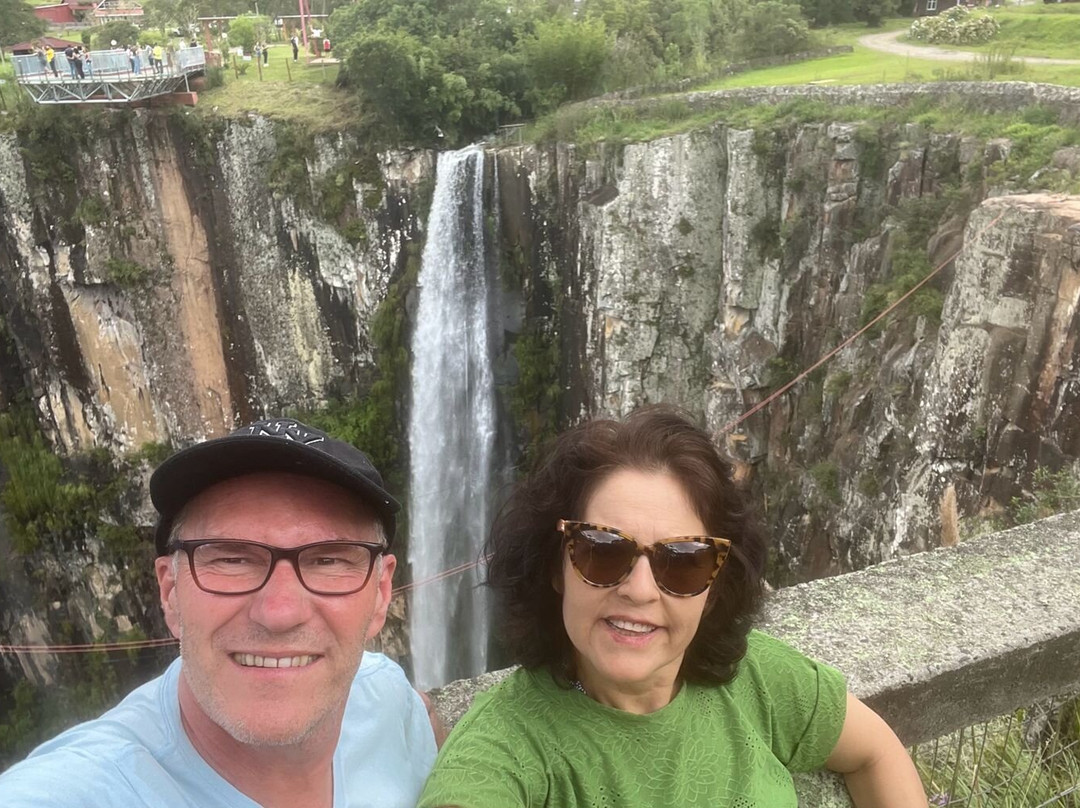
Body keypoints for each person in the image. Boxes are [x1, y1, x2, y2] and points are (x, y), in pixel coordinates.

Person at [418, 406, 927, 808]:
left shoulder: (760, 680)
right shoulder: (505, 746)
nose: (639, 590)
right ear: (556, 568)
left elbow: (875, 753)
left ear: (713, 585)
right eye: (602, 551)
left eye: (682, 562)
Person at [0, 418, 437, 807]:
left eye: (329, 560)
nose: (279, 612)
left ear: (381, 594)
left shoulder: (388, 696)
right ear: (170, 592)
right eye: (231, 559)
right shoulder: (83, 787)